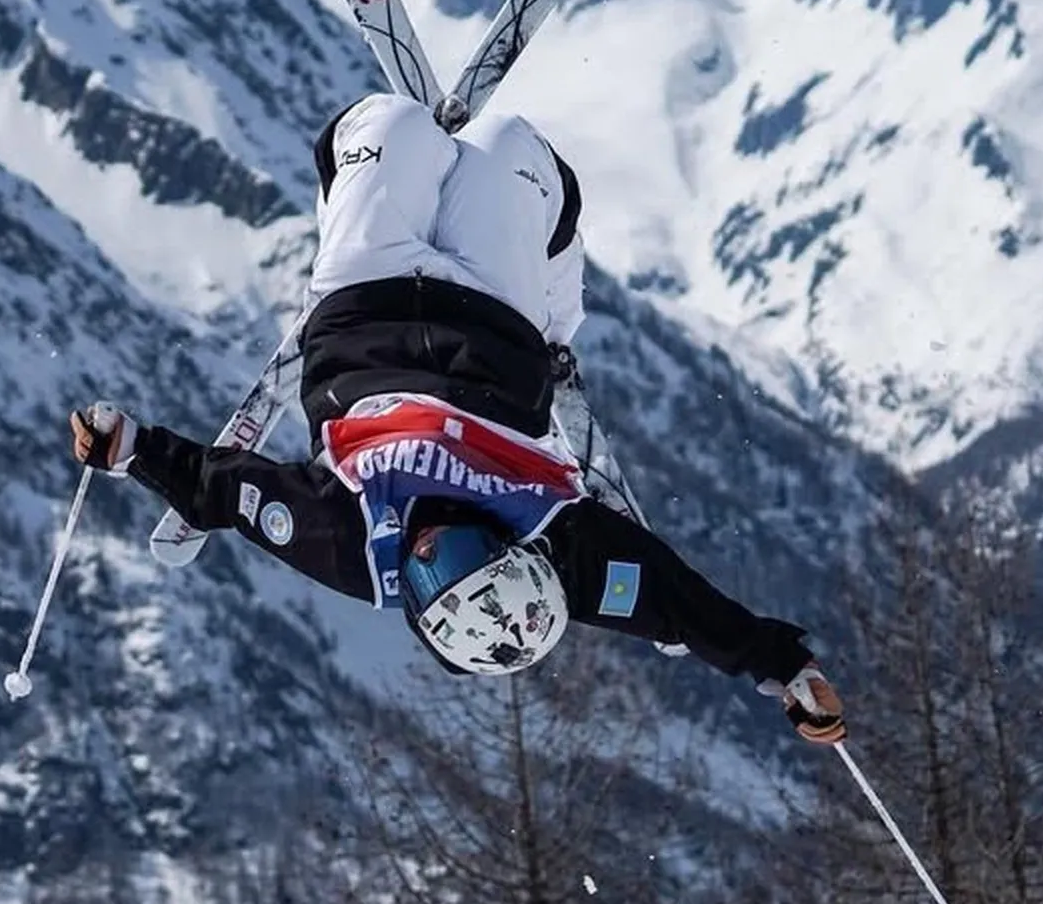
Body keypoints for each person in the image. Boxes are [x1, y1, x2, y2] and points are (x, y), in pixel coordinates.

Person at [69, 92, 844, 744]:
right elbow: (681, 606)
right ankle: (551, 306)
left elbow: (225, 491)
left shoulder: (349, 548)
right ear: (510, 551)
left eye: (429, 576)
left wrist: (128, 448)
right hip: (495, 313)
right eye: (464, 555)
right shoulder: (563, 553)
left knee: (381, 125)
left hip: (361, 299)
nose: (432, 547)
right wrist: (787, 671)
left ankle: (398, 166)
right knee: (516, 149)